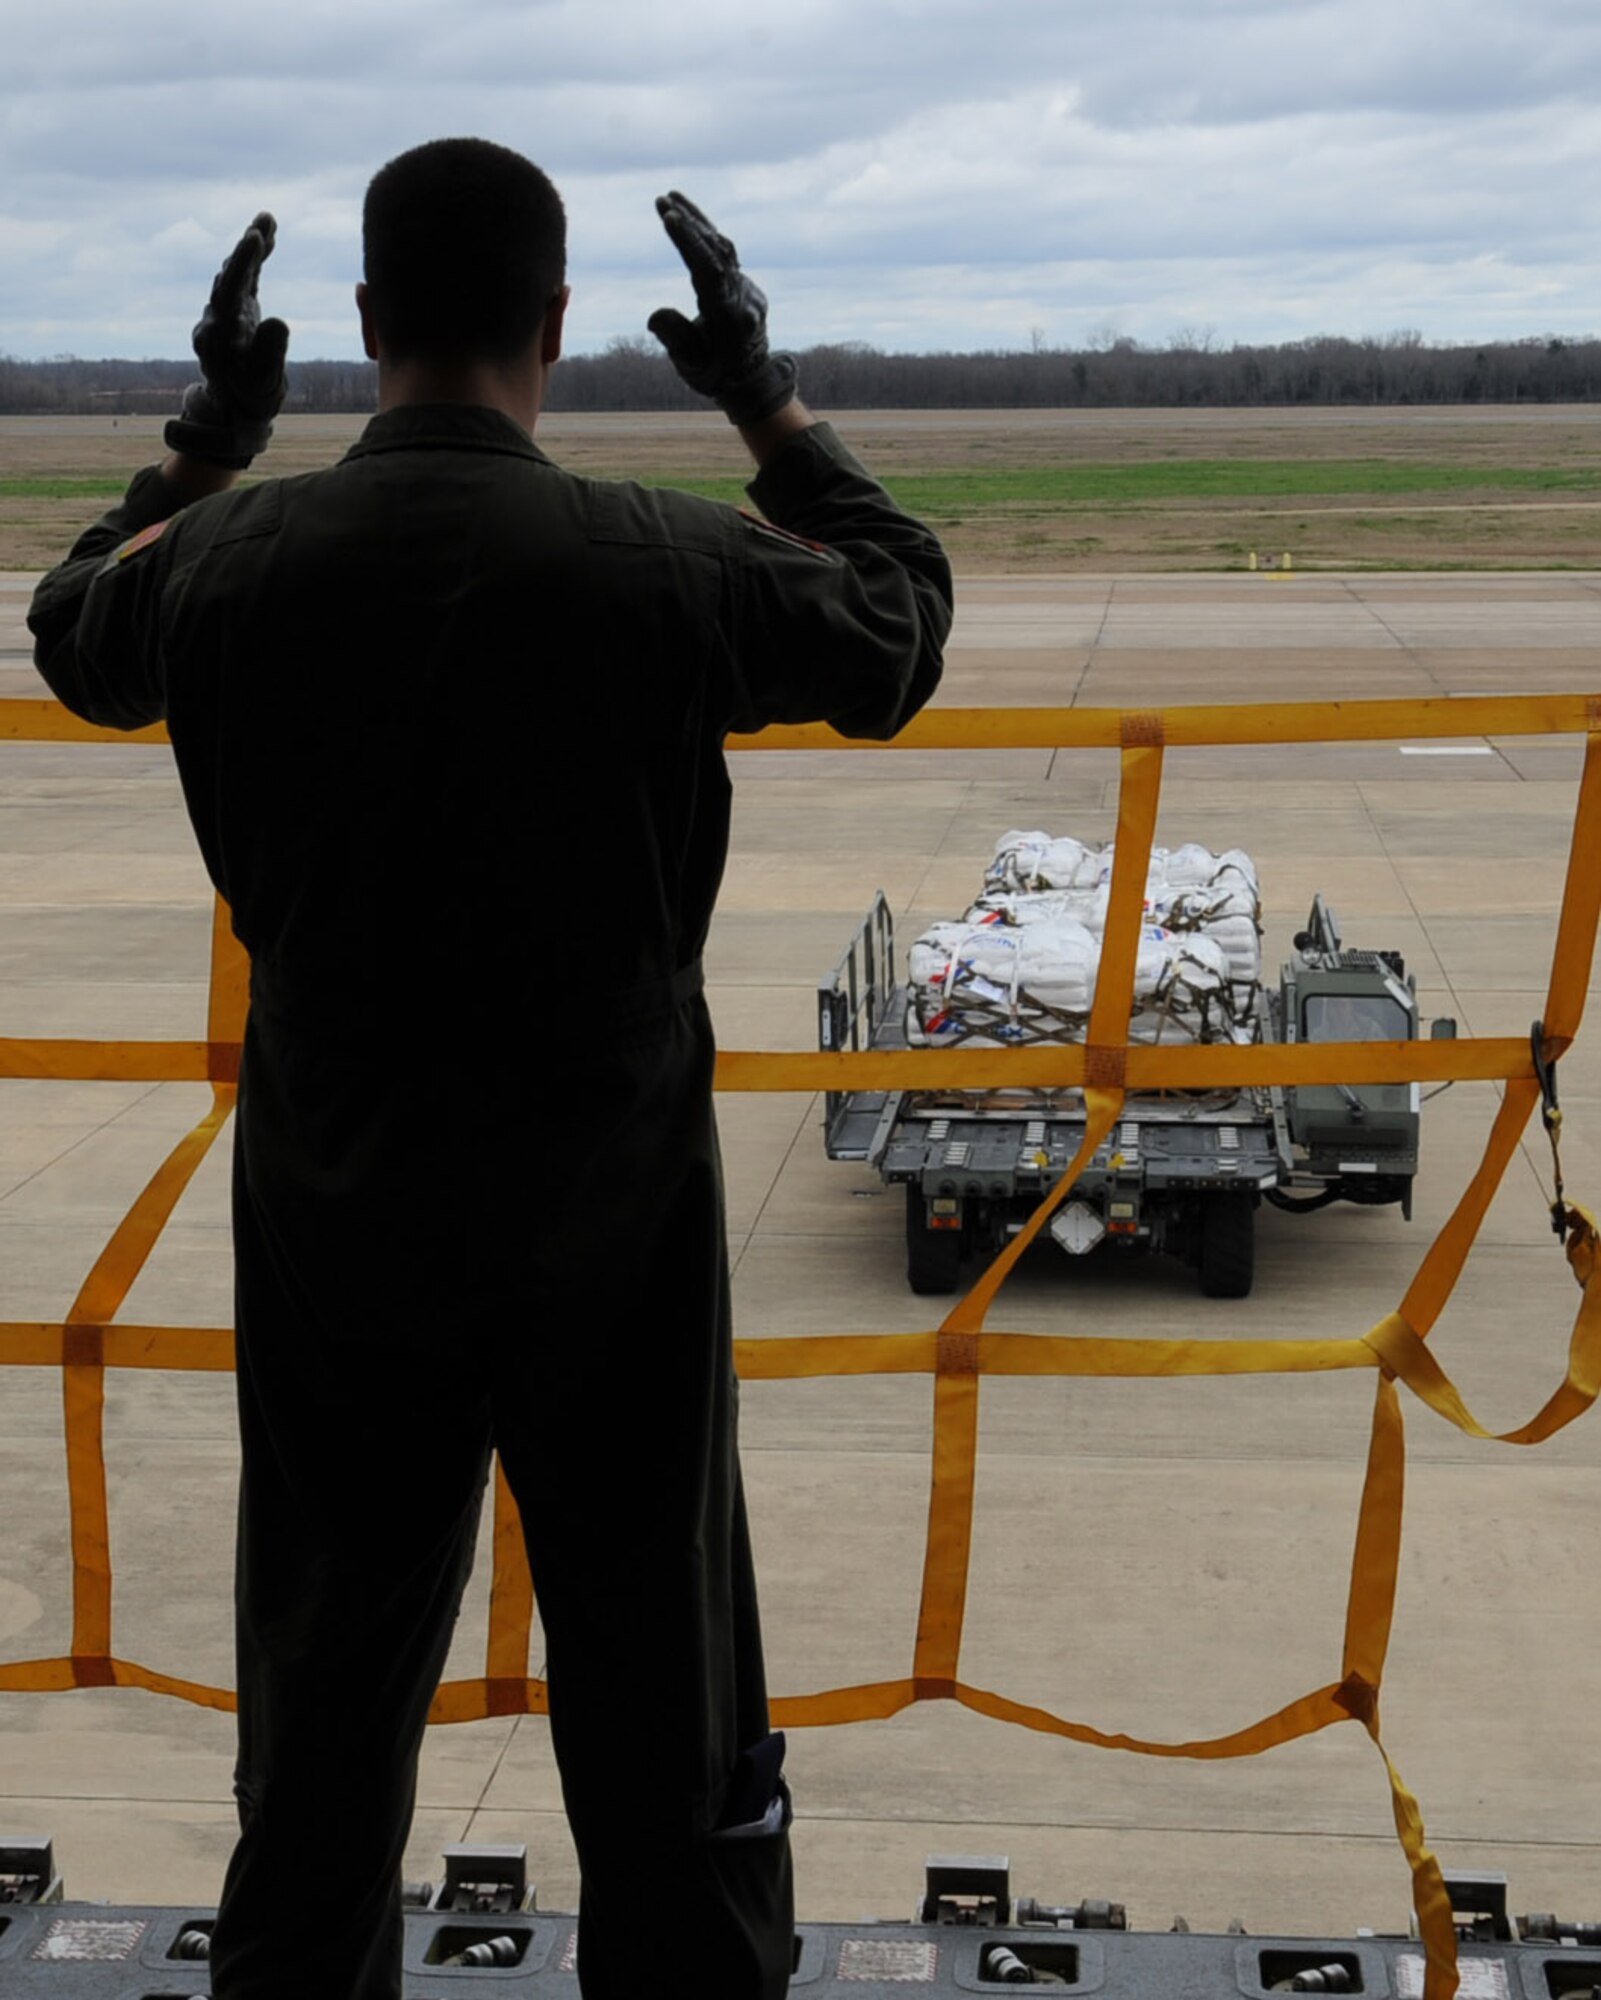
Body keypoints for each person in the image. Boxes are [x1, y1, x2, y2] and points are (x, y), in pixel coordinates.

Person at [29, 137, 950, 2000]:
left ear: (360, 328)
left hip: (337, 1217)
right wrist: (761, 397)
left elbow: (69, 627)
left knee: (323, 1712)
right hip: (608, 1221)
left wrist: (207, 442)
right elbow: (894, 622)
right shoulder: (663, 558)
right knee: (664, 1710)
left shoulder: (224, 558)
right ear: (553, 323)